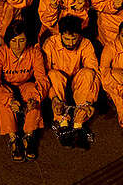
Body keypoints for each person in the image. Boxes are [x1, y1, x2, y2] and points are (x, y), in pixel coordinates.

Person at [0, 19, 49, 161]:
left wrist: (36, 97)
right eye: (14, 41)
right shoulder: (0, 54)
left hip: (25, 84)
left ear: (27, 40)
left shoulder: (34, 53)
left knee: (33, 93)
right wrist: (9, 100)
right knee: (1, 101)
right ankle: (13, 137)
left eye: (21, 41)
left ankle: (29, 135)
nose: (17, 45)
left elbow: (42, 79)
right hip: (6, 86)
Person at [42, 15, 100, 149]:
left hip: (76, 85)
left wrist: (89, 101)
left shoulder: (85, 43)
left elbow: (94, 73)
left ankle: (79, 123)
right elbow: (44, 76)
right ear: (60, 34)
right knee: (53, 74)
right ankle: (62, 122)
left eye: (74, 38)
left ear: (79, 35)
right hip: (58, 86)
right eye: (66, 39)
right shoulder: (50, 44)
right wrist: (54, 98)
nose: (70, 43)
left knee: (88, 73)